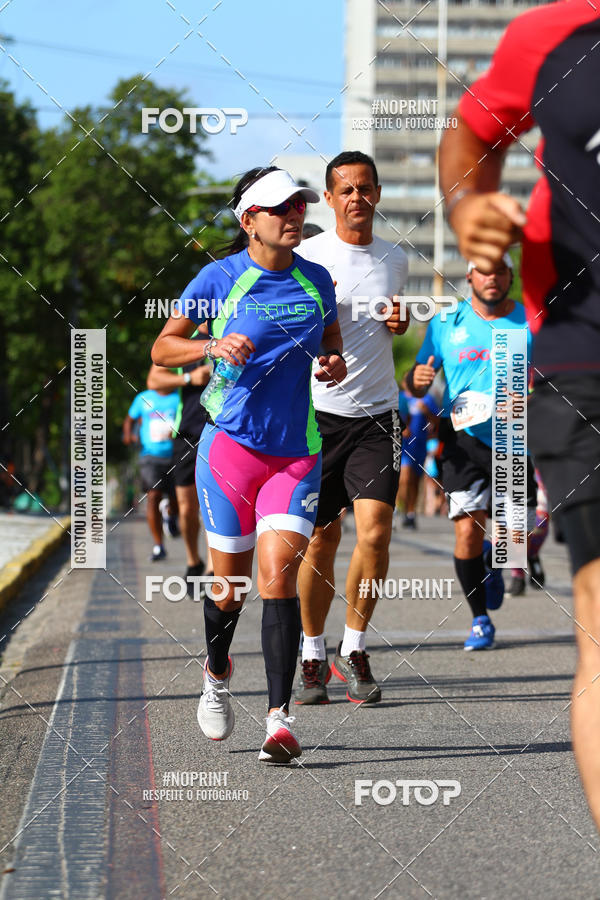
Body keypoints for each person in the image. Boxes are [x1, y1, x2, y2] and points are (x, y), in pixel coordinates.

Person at [438, 0, 600, 826]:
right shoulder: (551, 36)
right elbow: (469, 136)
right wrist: (470, 207)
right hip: (581, 359)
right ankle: (483, 602)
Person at [152, 166, 346, 762]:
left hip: (296, 452)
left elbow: (331, 339)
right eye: (280, 208)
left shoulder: (317, 280)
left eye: (299, 206)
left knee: (278, 578)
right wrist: (210, 344)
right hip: (231, 449)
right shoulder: (220, 277)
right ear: (249, 221)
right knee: (229, 586)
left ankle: (279, 721)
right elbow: (162, 348)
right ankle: (216, 673)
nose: (294, 216)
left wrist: (332, 363)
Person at [296, 150, 408, 705]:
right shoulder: (307, 255)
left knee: (376, 533)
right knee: (322, 537)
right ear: (329, 197)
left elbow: (392, 319)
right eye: (345, 190)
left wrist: (401, 319)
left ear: (378, 194)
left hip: (376, 416)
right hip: (317, 416)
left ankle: (354, 646)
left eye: (365, 188)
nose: (356, 198)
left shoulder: (396, 259)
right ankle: (311, 654)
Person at [407, 255, 537, 650]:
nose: (492, 279)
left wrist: (536, 396)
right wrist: (416, 379)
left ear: (510, 275)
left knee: (513, 539)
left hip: (513, 434)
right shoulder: (447, 322)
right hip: (461, 437)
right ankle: (480, 620)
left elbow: (555, 375)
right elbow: (414, 381)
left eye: (500, 271)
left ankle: (492, 557)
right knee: (465, 528)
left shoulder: (530, 321)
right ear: (470, 276)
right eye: (484, 271)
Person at [147, 346, 213, 593]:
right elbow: (154, 380)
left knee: (212, 503)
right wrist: (188, 378)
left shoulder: (232, 329)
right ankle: (193, 561)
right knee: (187, 507)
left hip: (221, 430)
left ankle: (212, 569)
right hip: (186, 434)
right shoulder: (185, 340)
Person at [123, 386, 180, 560]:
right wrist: (128, 435)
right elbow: (129, 420)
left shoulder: (179, 396)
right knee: (153, 495)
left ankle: (170, 513)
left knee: (177, 499)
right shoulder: (143, 398)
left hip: (176, 454)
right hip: (150, 456)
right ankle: (158, 545)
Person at [397, 377, 440, 530]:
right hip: (403, 446)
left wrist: (427, 411)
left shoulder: (427, 399)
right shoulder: (399, 398)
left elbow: (437, 421)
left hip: (420, 445)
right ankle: (401, 508)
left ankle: (410, 513)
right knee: (404, 478)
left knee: (415, 481)